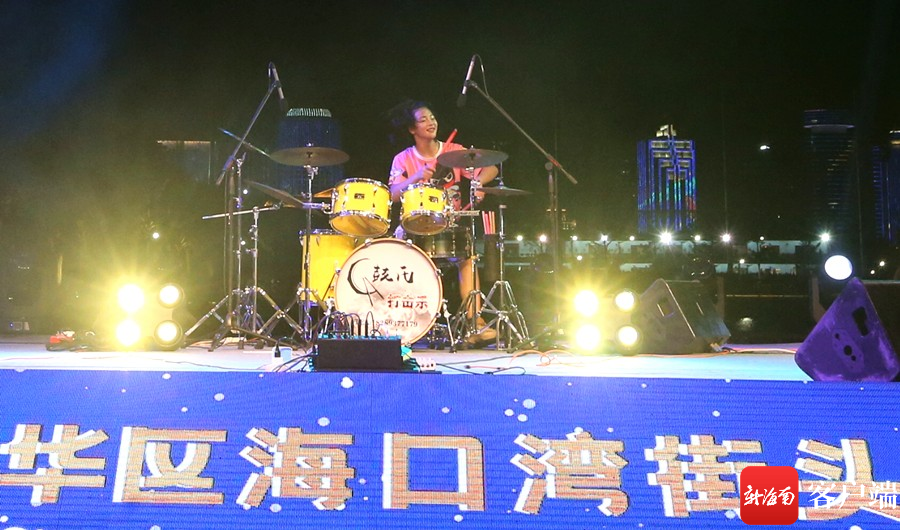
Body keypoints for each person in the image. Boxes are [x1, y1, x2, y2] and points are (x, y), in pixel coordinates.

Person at [386, 99, 498, 347]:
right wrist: (416, 176)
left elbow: (490, 168)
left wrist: (478, 183)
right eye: (423, 119)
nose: (431, 122)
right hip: (415, 225)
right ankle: (406, 324)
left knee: (467, 258)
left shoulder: (453, 151)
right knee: (403, 257)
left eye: (432, 117)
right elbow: (392, 194)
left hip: (450, 221)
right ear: (412, 129)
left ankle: (475, 323)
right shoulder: (403, 158)